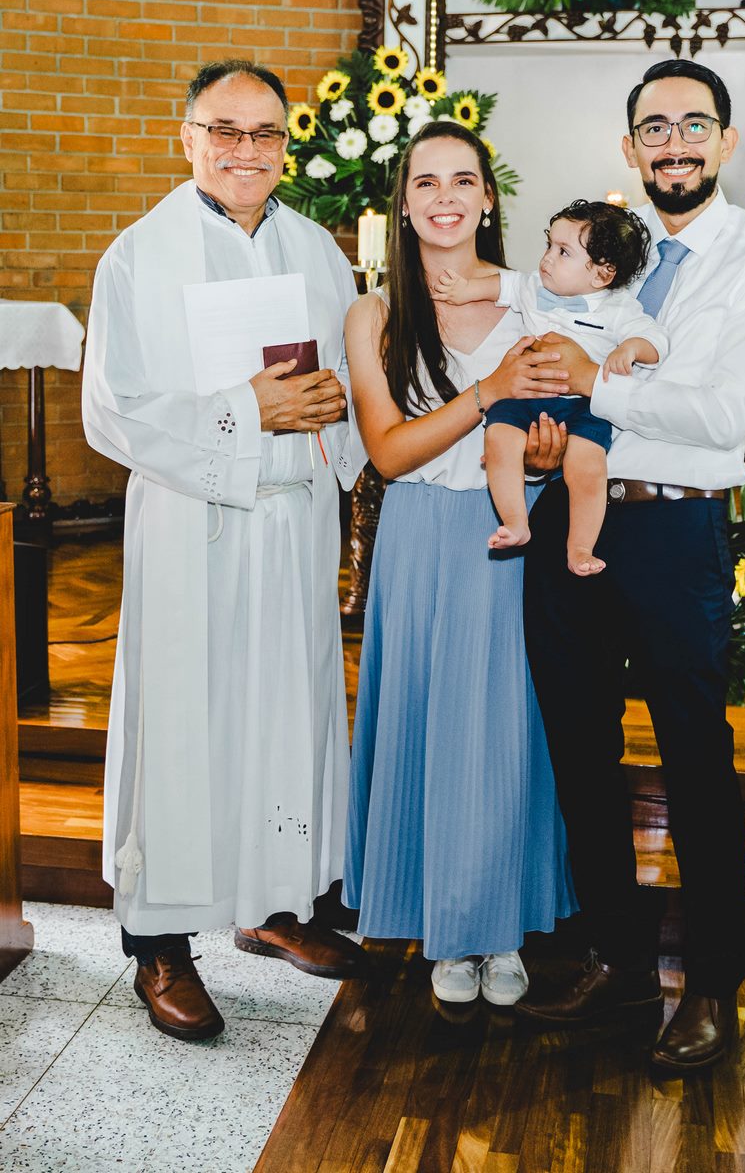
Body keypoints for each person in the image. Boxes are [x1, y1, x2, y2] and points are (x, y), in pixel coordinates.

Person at [516, 59, 745, 1073]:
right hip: (572, 518)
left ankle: (713, 987)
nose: (673, 142)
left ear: (726, 141)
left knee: (694, 757)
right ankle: (620, 958)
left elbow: (727, 411)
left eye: (693, 124)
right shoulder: (602, 246)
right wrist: (545, 429)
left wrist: (597, 385)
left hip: (676, 528)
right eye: (654, 127)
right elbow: (541, 355)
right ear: (630, 145)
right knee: (579, 750)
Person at [82, 59, 367, 1042]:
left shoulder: (317, 252)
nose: (247, 150)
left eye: (267, 133)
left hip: (293, 521)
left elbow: (350, 379)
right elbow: (113, 411)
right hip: (191, 525)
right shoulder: (139, 256)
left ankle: (271, 903)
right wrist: (251, 409)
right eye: (226, 130)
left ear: (288, 143)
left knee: (285, 707)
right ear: (188, 137)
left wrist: (336, 405)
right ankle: (160, 942)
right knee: (185, 720)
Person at [342, 120, 576, 1007]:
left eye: (462, 180)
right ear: (403, 206)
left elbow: (563, 428)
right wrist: (489, 391)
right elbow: (388, 452)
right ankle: (441, 921)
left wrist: (546, 459)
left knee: (506, 729)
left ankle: (499, 923)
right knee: (427, 723)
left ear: (487, 200)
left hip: (511, 531)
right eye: (426, 182)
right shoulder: (374, 315)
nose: (445, 197)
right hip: (418, 536)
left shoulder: (534, 304)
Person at [433, 199, 667, 575]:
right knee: (499, 440)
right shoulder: (532, 286)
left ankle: (580, 547)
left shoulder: (618, 309)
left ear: (602, 274)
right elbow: (502, 285)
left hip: (582, 405)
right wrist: (465, 289)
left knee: (587, 468)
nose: (547, 258)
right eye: (549, 245)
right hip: (526, 394)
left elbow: (656, 341)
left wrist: (631, 348)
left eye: (563, 252)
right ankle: (515, 522)